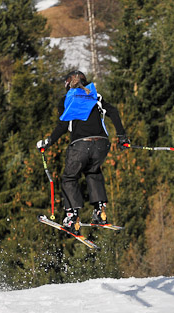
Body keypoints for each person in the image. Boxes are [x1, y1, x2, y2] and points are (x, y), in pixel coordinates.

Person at [37, 71, 130, 231]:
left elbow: (63, 125)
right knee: (93, 172)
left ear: (67, 85)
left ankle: (72, 216)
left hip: (80, 144)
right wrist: (122, 137)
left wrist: (48, 142)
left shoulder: (66, 99)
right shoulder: (95, 96)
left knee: (69, 177)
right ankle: (100, 211)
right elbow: (113, 112)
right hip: (102, 144)